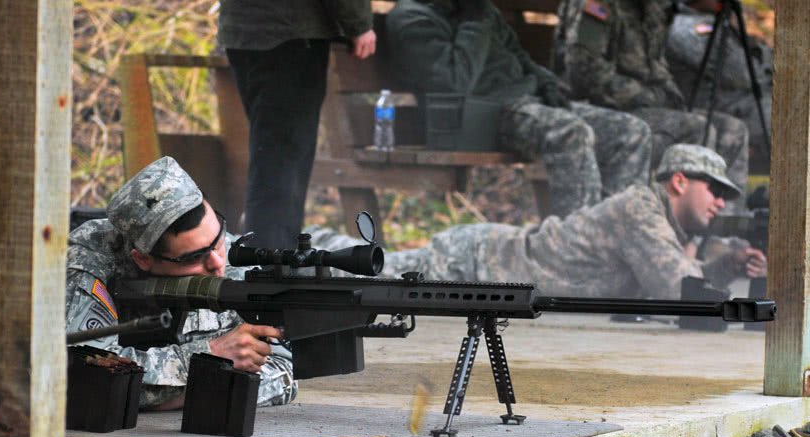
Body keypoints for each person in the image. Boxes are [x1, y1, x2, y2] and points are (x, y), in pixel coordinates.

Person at [0, 157, 297, 411]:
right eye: (194, 256)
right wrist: (205, 362)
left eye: (219, 235)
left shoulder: (218, 249)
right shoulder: (86, 263)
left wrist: (187, 381)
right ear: (141, 259)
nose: (219, 261)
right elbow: (84, 373)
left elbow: (281, 371)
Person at [310, 144, 766, 300]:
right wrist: (721, 266)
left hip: (492, 258)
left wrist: (725, 265)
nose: (722, 203)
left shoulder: (659, 218)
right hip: (479, 261)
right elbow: (677, 290)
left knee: (376, 269)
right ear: (680, 182)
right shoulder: (641, 209)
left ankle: (307, 246)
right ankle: (298, 244)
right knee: (374, 272)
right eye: (716, 191)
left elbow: (677, 278)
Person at [385, 0, 653, 219]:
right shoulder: (412, 18)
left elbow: (519, 56)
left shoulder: (478, 10)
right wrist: (475, 22)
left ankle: (617, 237)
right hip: (486, 115)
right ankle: (580, 250)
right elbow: (454, 84)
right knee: (570, 132)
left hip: (528, 103)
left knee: (630, 131)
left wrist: (548, 83)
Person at [554, 0, 750, 212]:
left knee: (732, 130)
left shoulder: (651, 7)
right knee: (698, 130)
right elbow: (585, 74)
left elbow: (657, 66)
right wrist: (651, 96)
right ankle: (677, 234)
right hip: (600, 110)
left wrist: (671, 95)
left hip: (646, 109)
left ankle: (721, 237)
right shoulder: (595, 5)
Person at [219, 1, 376, 249]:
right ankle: (271, 267)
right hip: (290, 32)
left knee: (271, 156)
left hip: (242, 30)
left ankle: (267, 261)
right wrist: (358, 24)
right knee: (281, 163)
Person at [666, 0, 773, 166]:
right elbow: (740, 72)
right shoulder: (685, 27)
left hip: (743, 100)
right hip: (716, 105)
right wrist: (771, 63)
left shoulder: (714, 21)